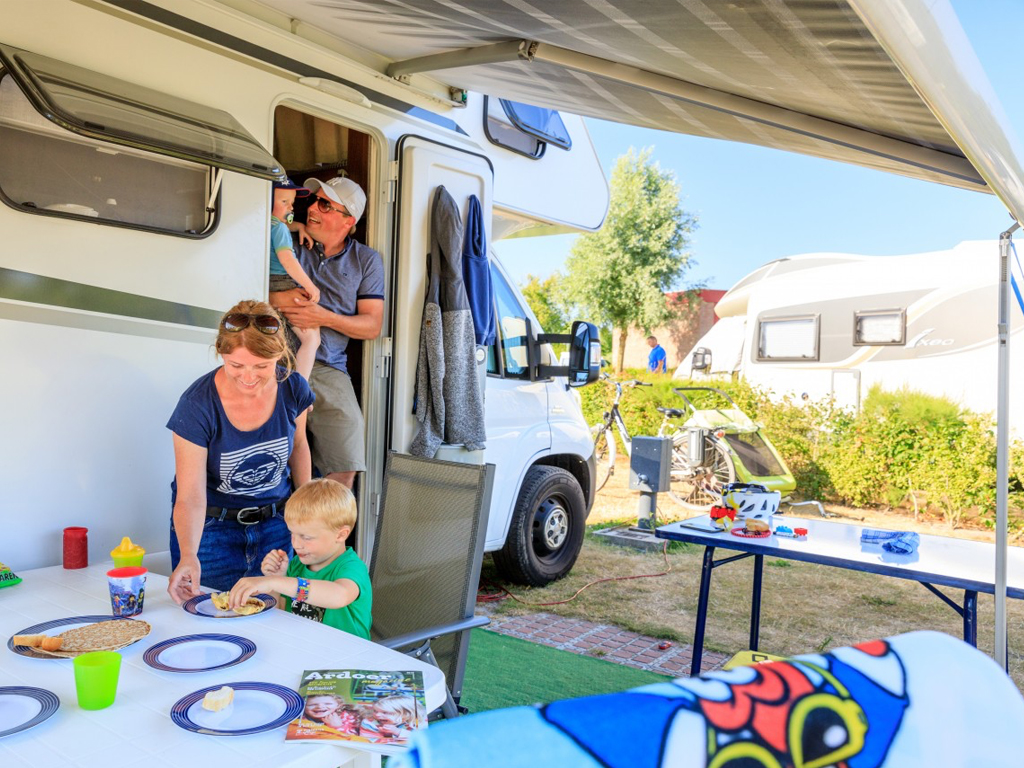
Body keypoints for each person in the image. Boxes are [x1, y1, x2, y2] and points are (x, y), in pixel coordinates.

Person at [166, 300, 315, 603]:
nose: (248, 377)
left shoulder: (293, 388)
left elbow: (299, 445)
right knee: (211, 622)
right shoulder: (197, 405)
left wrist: (307, 513)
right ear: (221, 353)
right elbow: (190, 495)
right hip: (212, 533)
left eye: (262, 366)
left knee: (278, 621)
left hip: (277, 525)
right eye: (236, 365)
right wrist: (189, 555)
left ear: (279, 354)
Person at [270, 176, 384, 490]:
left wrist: (324, 317)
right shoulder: (287, 238)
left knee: (346, 465)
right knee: (273, 459)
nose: (312, 208)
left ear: (349, 220)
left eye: (325, 204)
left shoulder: (367, 261)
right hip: (274, 361)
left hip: (329, 366)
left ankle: (324, 537)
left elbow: (372, 326)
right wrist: (278, 298)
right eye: (315, 200)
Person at [227, 477, 372, 639]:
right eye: (292, 534)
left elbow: (339, 595)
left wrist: (275, 582)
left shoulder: (351, 567)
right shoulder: (297, 565)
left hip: (346, 660)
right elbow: (282, 612)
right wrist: (275, 580)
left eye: (306, 537)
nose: (296, 544)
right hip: (302, 650)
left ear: (340, 534)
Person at [269, 179, 320, 380]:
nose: (291, 207)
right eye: (284, 202)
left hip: (268, 281)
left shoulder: (266, 224)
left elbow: (282, 222)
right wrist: (310, 285)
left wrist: (298, 226)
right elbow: (287, 260)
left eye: (291, 202)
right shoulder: (280, 229)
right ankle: (301, 388)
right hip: (282, 282)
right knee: (312, 338)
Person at [359, 694, 425, 742]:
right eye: (375, 711)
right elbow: (369, 741)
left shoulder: (415, 723)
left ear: (405, 715)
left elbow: (420, 740)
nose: (377, 715)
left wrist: (397, 732)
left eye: (385, 712)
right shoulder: (369, 722)